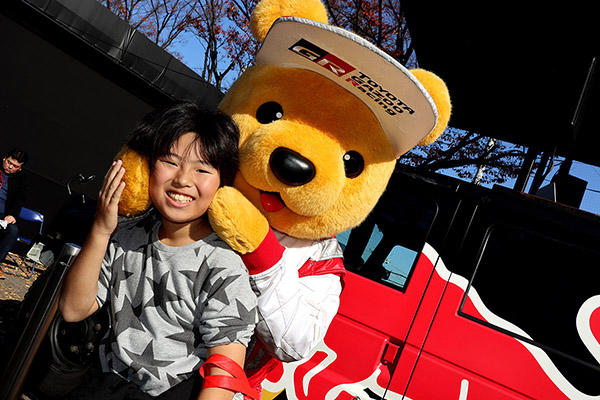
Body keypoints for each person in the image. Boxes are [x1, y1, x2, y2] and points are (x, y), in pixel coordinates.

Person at [59, 103, 258, 400]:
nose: (182, 180)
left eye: (202, 169)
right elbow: (74, 309)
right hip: (104, 385)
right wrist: (101, 230)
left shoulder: (223, 266)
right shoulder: (125, 234)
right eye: (170, 161)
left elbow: (224, 370)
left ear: (223, 184)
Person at [0, 148, 28, 278]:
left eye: (15, 166)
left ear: (20, 169)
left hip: (3, 215)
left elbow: (19, 201)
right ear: (4, 158)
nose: (10, 167)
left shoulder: (20, 181)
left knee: (13, 230)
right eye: (9, 162)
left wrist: (12, 215)